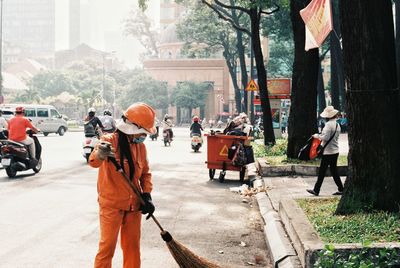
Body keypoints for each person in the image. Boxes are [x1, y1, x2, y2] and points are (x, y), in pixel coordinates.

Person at [89, 102, 156, 268]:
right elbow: (93, 162)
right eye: (142, 132)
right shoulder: (108, 142)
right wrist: (100, 153)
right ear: (133, 128)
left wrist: (147, 195)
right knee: (107, 247)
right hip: (111, 206)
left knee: (132, 248)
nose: (144, 136)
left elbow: (145, 173)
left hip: (134, 205)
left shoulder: (141, 147)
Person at [307, 106, 344, 196]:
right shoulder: (337, 124)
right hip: (335, 151)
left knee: (322, 171)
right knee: (334, 171)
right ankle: (341, 189)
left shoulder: (328, 125)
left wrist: (317, 136)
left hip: (328, 152)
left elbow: (325, 138)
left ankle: (316, 190)